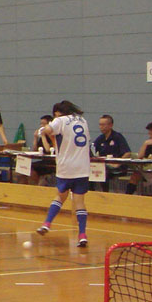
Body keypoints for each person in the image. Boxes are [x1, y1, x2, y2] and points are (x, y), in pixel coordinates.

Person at [36, 101, 91, 247]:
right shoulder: (82, 120)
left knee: (60, 196)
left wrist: (42, 130)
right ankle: (82, 235)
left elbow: (48, 129)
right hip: (82, 167)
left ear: (58, 113)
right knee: (79, 201)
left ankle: (47, 223)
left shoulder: (60, 120)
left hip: (66, 166)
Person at [92, 114, 131, 191]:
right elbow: (92, 149)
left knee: (104, 172)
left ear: (110, 125)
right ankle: (91, 192)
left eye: (103, 125)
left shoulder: (118, 137)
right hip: (104, 165)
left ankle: (105, 193)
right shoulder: (100, 138)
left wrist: (117, 164)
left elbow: (127, 153)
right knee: (90, 171)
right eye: (100, 125)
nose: (101, 127)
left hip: (118, 167)